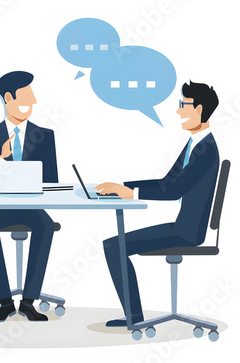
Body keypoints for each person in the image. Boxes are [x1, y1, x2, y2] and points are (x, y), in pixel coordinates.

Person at [96, 81, 220, 327]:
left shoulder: (205, 149)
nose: (178, 111)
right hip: (182, 226)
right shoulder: (195, 143)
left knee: (113, 246)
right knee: (114, 245)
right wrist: (124, 186)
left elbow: (173, 191)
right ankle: (134, 315)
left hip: (188, 232)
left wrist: (130, 194)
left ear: (199, 109)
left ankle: (134, 318)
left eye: (184, 105)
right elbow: (167, 181)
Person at [0, 71, 58, 321]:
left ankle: (29, 301)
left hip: (34, 206)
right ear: (8, 98)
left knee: (46, 226)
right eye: (26, 97)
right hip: (2, 206)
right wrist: (1, 158)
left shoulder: (45, 135)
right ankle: (3, 301)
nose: (32, 103)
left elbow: (52, 179)